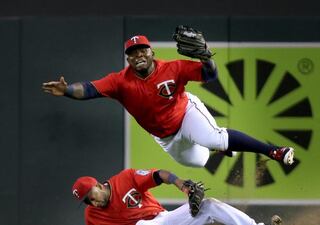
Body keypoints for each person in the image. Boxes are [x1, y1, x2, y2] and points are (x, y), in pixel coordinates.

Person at [42, 33, 294, 167]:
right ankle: (218, 147)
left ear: (152, 52)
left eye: (142, 49)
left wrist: (207, 57)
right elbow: (88, 89)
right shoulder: (120, 81)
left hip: (185, 113)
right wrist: (66, 90)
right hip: (165, 137)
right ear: (128, 59)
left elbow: (210, 74)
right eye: (132, 53)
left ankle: (272, 151)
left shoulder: (172, 68)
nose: (138, 54)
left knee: (212, 137)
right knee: (198, 161)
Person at [71, 167, 280, 225]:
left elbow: (158, 175)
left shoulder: (125, 178)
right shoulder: (92, 216)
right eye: (87, 200)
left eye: (91, 195)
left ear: (98, 185)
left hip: (164, 220)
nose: (92, 201)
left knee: (208, 205)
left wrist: (181, 185)